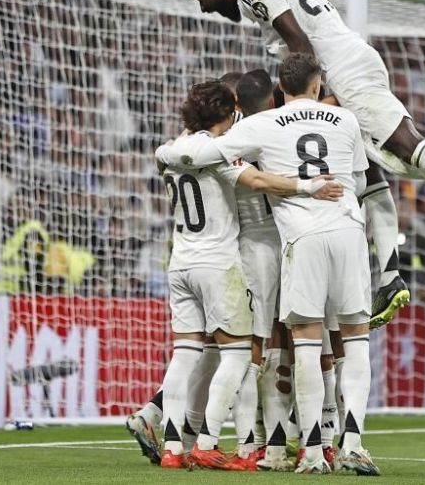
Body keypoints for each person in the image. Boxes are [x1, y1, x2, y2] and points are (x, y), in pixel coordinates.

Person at [187, 0, 425, 329]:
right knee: (372, 172)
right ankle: (388, 277)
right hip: (343, 64)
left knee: (405, 145)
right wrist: (321, 22)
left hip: (344, 70)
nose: (204, 7)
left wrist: (306, 106)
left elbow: (300, 43)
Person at [156, 53, 381, 475]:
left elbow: (207, 154)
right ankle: (346, 442)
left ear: (282, 86)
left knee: (285, 347)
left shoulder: (257, 127)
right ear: (316, 84)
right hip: (347, 229)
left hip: (284, 242)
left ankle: (293, 448)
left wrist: (165, 150)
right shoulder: (347, 120)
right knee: (350, 343)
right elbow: (359, 179)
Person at [131, 80, 342, 470]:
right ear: (228, 114)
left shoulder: (168, 152)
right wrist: (309, 186)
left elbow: (174, 150)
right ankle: (216, 441)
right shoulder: (219, 156)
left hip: (180, 263)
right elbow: (260, 181)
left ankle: (174, 448)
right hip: (219, 264)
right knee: (240, 353)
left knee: (185, 355)